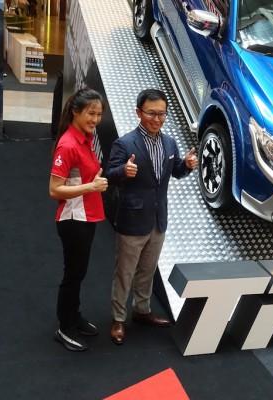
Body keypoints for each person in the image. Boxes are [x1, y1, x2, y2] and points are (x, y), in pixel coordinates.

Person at [105, 88, 198, 345]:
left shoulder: (170, 143)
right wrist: (123, 171)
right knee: (124, 272)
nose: (157, 119)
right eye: (152, 113)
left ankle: (142, 311)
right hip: (132, 220)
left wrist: (186, 166)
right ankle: (118, 318)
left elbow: (175, 171)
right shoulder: (125, 143)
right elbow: (109, 175)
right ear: (139, 112)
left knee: (147, 270)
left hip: (158, 220)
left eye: (162, 114)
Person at [49, 88, 108, 352]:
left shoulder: (86, 137)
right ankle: (64, 327)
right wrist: (91, 187)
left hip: (87, 216)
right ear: (75, 112)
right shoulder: (68, 144)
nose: (95, 119)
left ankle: (74, 316)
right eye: (90, 113)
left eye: (98, 114)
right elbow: (54, 190)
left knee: (79, 272)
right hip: (73, 219)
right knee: (73, 275)